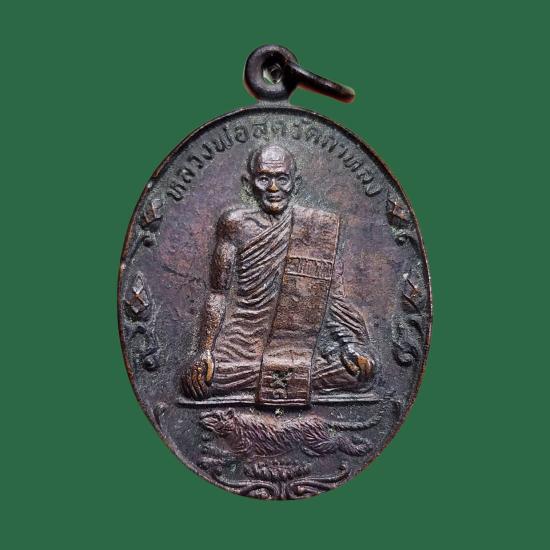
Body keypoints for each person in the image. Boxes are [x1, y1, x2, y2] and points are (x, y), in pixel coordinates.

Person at [181, 144, 375, 405]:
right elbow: (218, 293)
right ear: (248, 183)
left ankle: (280, 378)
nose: (273, 188)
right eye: (264, 179)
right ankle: (292, 379)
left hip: (299, 345)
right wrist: (205, 351)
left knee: (361, 372)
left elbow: (332, 300)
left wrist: (348, 345)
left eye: (282, 178)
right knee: (199, 382)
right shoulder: (235, 224)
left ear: (295, 183)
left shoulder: (318, 228)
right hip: (243, 346)